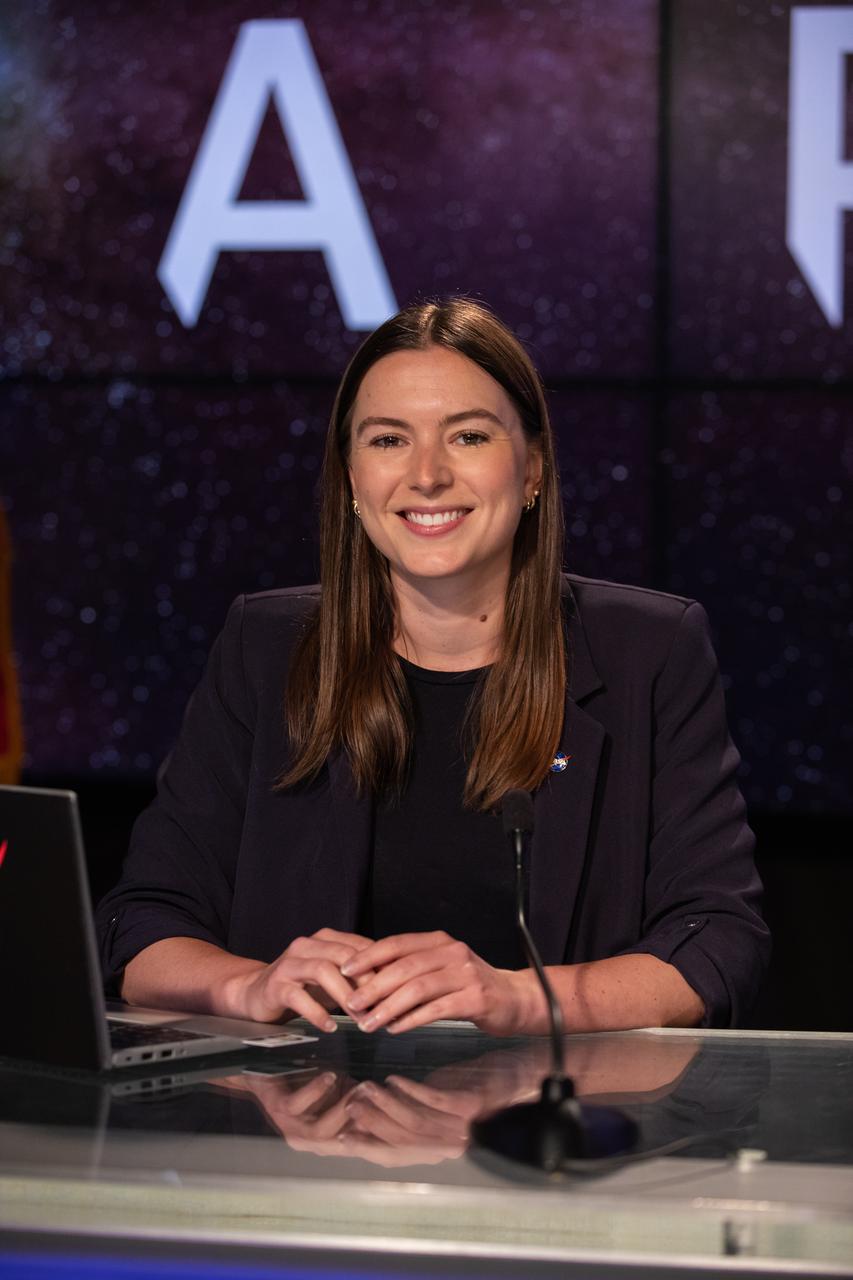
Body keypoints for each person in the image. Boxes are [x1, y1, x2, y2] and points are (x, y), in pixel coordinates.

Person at [96, 297, 769, 1035]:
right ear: (351, 479)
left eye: (468, 436)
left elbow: (716, 939)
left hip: (551, 1132)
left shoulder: (649, 650)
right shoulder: (264, 645)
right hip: (299, 1130)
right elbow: (141, 922)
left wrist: (518, 999)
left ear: (533, 468)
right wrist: (248, 987)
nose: (426, 475)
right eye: (388, 441)